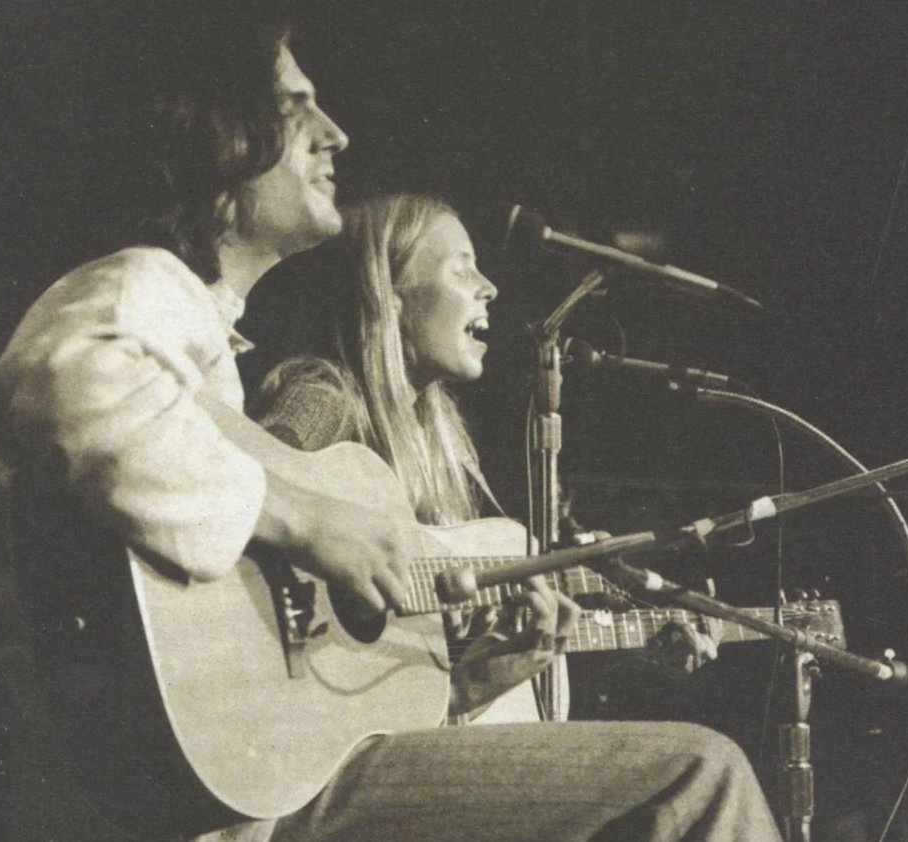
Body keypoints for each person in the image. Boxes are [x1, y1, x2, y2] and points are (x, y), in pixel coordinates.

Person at [0, 4, 780, 839]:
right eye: (293, 105)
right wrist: (309, 519)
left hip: (248, 795)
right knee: (696, 778)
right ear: (219, 135)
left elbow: (299, 670)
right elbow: (60, 386)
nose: (334, 132)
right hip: (198, 804)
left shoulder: (209, 359)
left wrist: (467, 684)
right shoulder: (146, 287)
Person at [251, 194, 778, 841]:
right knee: (703, 769)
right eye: (461, 268)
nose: (491, 287)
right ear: (385, 292)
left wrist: (596, 660)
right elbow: (241, 492)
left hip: (377, 756)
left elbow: (425, 697)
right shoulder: (322, 395)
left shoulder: (436, 450)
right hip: (299, 768)